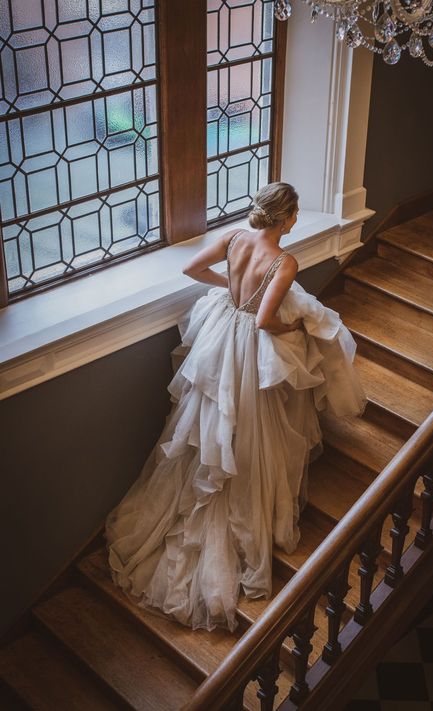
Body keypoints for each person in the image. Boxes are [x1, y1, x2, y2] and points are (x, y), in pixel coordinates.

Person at [104, 182, 367, 633]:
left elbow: (191, 268)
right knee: (252, 426)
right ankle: (242, 508)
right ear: (284, 218)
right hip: (248, 345)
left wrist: (230, 285)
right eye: (296, 214)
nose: (296, 220)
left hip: (221, 327)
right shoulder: (284, 261)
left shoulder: (233, 239)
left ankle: (207, 486)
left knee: (210, 421)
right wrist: (294, 330)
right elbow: (265, 320)